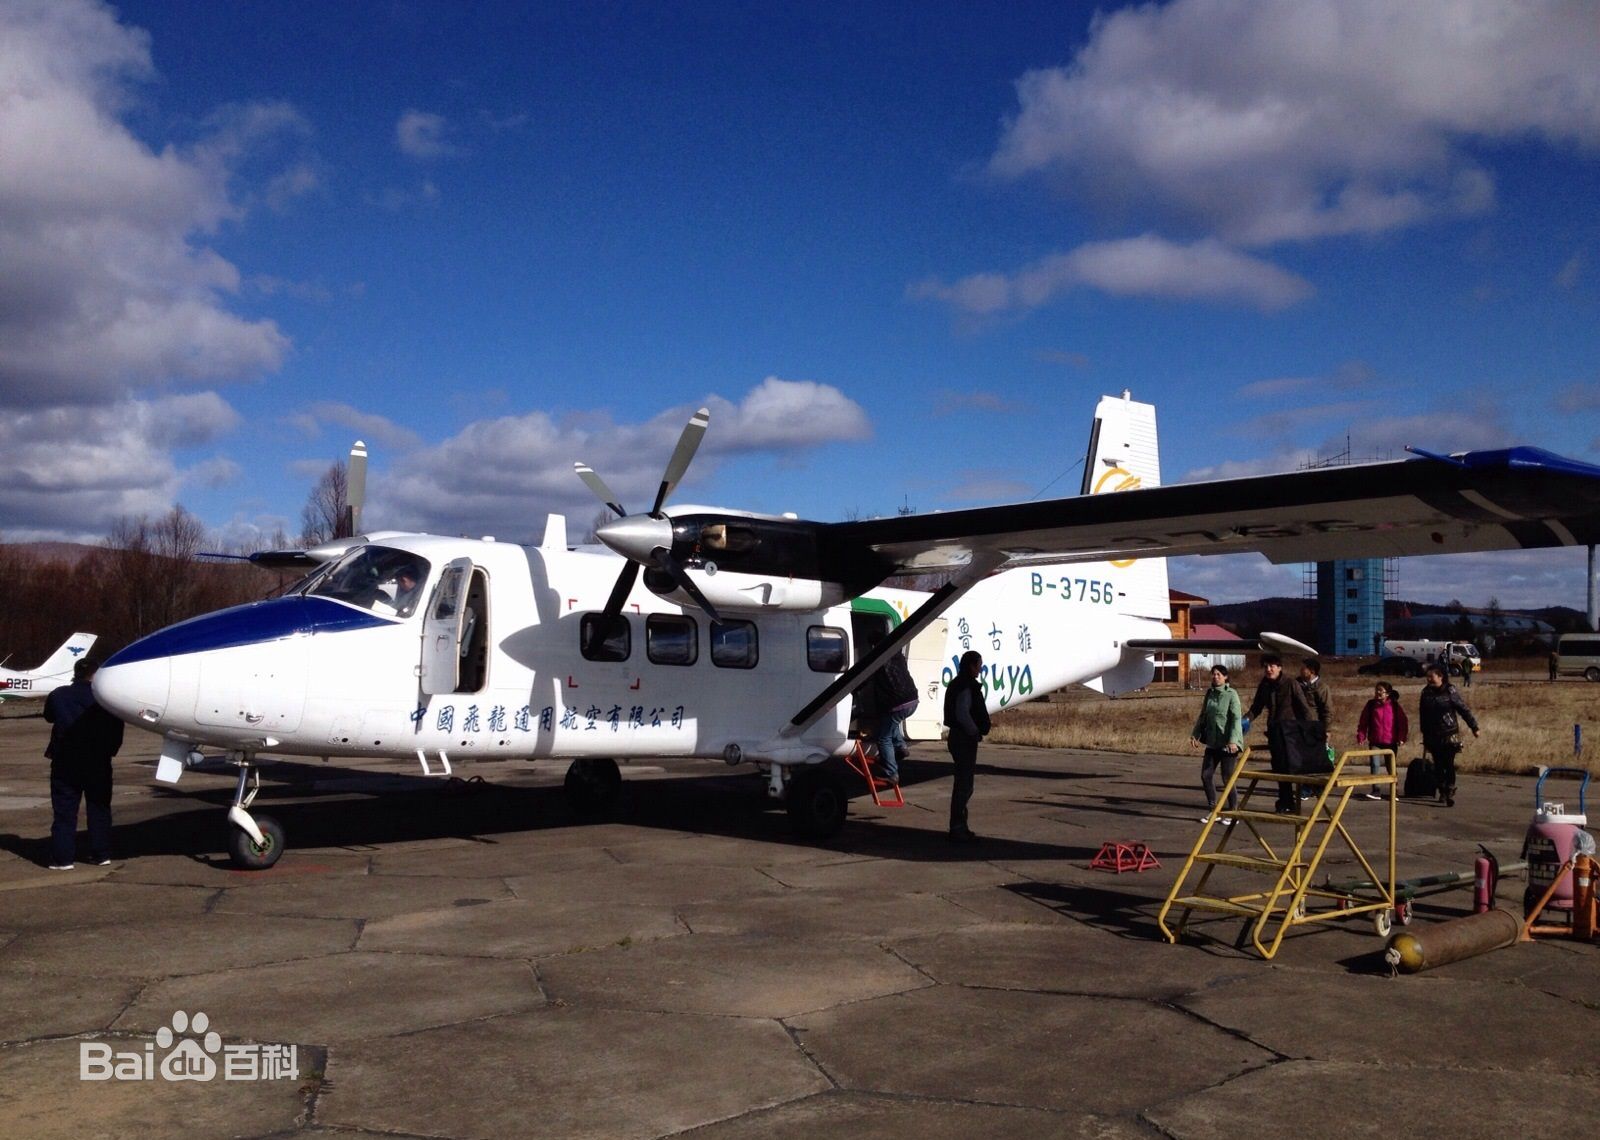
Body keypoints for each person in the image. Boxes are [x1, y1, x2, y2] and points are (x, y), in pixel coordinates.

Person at [43, 660, 124, 870]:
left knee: (64, 812)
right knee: (99, 808)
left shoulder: (58, 694)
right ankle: (101, 854)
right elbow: (117, 727)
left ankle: (63, 859)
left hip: (65, 762)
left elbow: (49, 717)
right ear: (95, 675)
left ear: (76, 673)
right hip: (98, 761)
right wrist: (110, 750)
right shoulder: (105, 698)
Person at [1245, 654, 1314, 813]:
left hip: (1291, 733)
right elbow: (1257, 707)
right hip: (1275, 732)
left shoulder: (1291, 683)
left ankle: (1302, 795)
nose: (1268, 670)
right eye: (1266, 667)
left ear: (1279, 667)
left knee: (1291, 768)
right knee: (1278, 768)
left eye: (1272, 666)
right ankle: (1286, 801)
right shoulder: (1264, 685)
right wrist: (1245, 720)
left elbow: (1304, 709)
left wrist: (1309, 731)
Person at [943, 650, 989, 843]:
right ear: (971, 665)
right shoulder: (965, 686)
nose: (980, 668)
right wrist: (974, 732)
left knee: (963, 784)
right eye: (978, 664)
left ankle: (960, 825)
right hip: (963, 738)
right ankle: (958, 827)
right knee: (964, 785)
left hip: (959, 737)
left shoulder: (957, 684)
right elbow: (963, 713)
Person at [1418, 662, 1479, 807]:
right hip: (1432, 735)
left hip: (1449, 734)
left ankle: (1450, 788)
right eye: (1427, 677)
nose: (1429, 680)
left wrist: (1474, 727)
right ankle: (1442, 791)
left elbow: (1463, 709)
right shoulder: (1425, 693)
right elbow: (1422, 714)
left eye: (1431, 677)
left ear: (1441, 677)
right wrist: (1424, 733)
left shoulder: (1450, 691)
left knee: (1448, 763)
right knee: (1438, 765)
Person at [1190, 665, 1243, 822]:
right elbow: (1203, 716)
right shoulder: (1210, 694)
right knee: (1206, 775)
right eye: (1213, 674)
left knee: (1227, 778)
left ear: (1225, 677)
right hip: (1213, 742)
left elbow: (1236, 719)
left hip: (1228, 744)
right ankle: (1213, 810)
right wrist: (1195, 734)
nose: (1215, 677)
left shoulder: (1231, 694)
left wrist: (1233, 740)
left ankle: (1233, 812)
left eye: (1219, 674)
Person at [870, 642, 919, 784]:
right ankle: (901, 747)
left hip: (898, 703)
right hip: (912, 701)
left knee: (883, 738)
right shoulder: (898, 656)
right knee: (891, 722)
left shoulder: (878, 660)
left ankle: (891, 773)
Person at [1354, 681, 1409, 800]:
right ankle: (1376, 791)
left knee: (1391, 767)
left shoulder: (1395, 706)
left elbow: (1403, 723)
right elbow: (1363, 722)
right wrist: (1361, 736)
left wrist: (1401, 738)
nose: (1378, 693)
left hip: (1391, 742)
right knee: (1375, 765)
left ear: (1387, 693)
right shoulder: (1370, 705)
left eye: (1381, 690)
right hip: (1375, 741)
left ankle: (1394, 791)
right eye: (1376, 690)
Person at [1297, 657, 1333, 799]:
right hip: (1300, 727)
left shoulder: (1322, 687)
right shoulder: (1297, 684)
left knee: (1316, 760)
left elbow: (1327, 710)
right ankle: (1306, 787)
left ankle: (1317, 787)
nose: (1301, 670)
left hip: (1316, 728)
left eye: (1303, 668)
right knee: (1302, 759)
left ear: (1311, 671)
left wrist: (1327, 729)